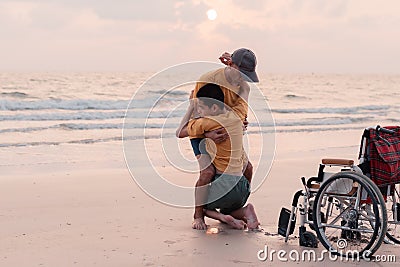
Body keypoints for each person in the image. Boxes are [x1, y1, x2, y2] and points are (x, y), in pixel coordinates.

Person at [176, 48, 259, 230]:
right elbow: (199, 111)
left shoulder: (243, 85)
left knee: (248, 168)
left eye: (247, 75)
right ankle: (198, 215)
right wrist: (207, 135)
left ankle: (234, 208)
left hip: (224, 129)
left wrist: (241, 123)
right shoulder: (208, 80)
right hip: (202, 130)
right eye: (241, 73)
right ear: (230, 64)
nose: (243, 78)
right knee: (208, 172)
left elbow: (239, 112)